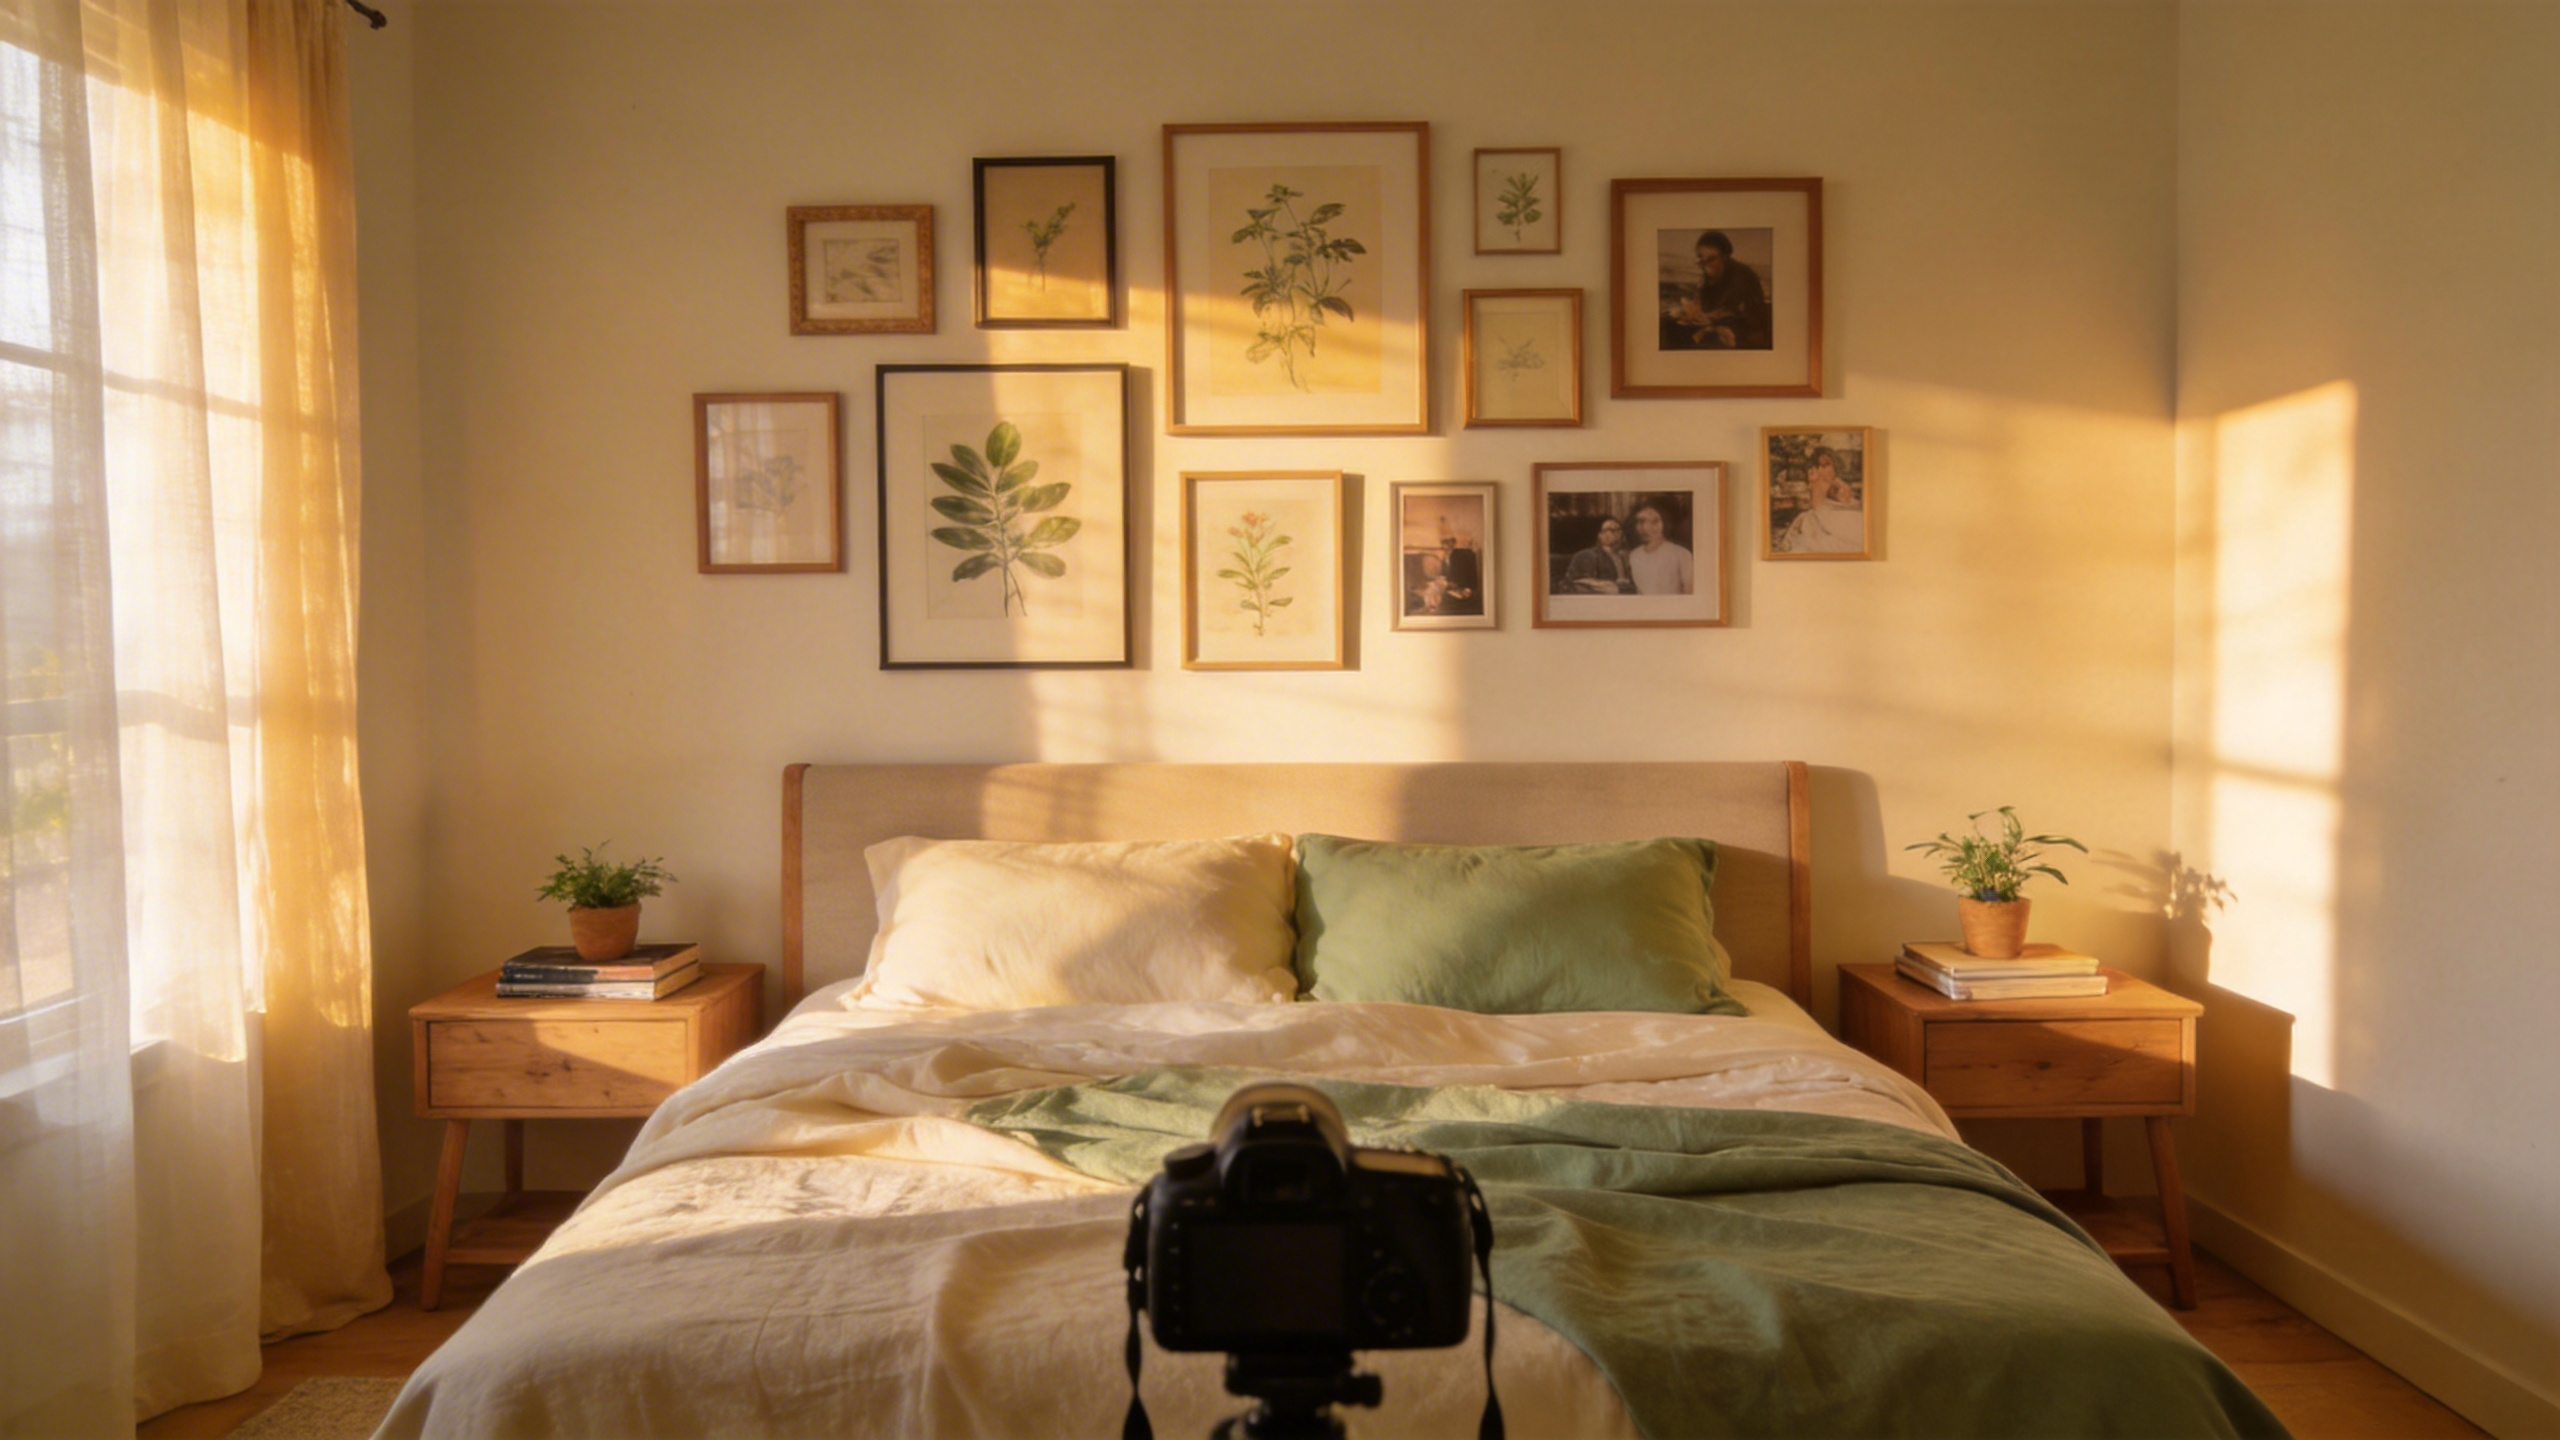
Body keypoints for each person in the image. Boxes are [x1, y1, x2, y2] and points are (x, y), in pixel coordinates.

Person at [1660, 230, 1772, 351]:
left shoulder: (1740, 274)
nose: (1704, 263)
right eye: (1700, 257)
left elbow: (1731, 310)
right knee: (1667, 323)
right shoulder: (1708, 276)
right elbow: (1703, 304)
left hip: (1745, 327)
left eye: (1711, 259)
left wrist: (1704, 317)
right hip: (1717, 322)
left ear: (1724, 257)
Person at [1777, 447, 1864, 555]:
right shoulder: (1816, 481)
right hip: (1820, 511)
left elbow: (1849, 503)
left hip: (1833, 514)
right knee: (1807, 523)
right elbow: (1815, 503)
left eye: (1825, 465)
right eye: (1818, 466)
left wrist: (1844, 497)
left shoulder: (1839, 485)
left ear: (1835, 468)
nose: (1820, 470)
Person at [1626, 502, 1693, 595]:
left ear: (1665, 523)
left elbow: (1689, 593)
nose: (1646, 527)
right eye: (1641, 521)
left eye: (1655, 521)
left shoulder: (1681, 554)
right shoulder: (1634, 555)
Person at [1559, 514, 1632, 594]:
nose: (1617, 533)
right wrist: (1613, 587)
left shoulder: (1626, 556)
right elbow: (1577, 583)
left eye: (1619, 530)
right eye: (1610, 530)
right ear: (1599, 534)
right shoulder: (1587, 555)